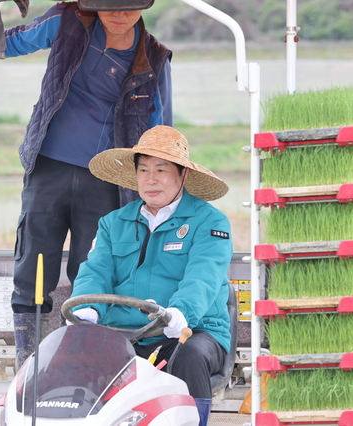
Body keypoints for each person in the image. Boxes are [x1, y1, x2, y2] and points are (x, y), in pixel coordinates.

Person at [0, 0, 172, 369]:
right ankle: (28, 368)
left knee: (93, 275)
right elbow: (13, 41)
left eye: (128, 7)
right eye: (109, 6)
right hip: (48, 168)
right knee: (33, 269)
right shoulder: (67, 20)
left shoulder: (155, 57)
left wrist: (161, 184)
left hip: (108, 181)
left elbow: (160, 127)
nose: (118, 14)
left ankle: (84, 370)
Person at [68, 125, 233, 425]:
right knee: (76, 353)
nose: (150, 179)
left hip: (188, 332)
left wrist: (180, 313)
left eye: (161, 169)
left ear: (183, 174)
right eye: (143, 170)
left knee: (191, 354)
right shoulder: (113, 223)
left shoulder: (209, 221)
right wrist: (87, 310)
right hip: (123, 334)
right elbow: (96, 271)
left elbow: (203, 277)